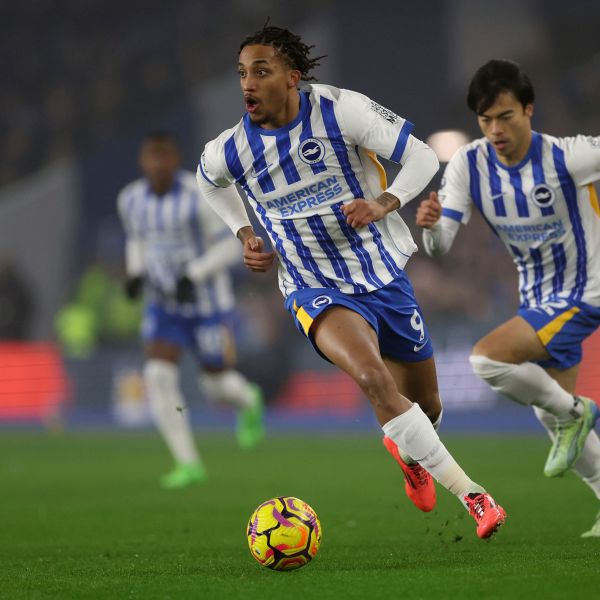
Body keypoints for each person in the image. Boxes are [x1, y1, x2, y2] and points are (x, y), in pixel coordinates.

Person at [195, 23, 506, 539]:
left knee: (425, 408)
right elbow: (208, 182)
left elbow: (423, 157)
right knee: (370, 376)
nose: (248, 84)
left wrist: (384, 203)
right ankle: (474, 495)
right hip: (310, 283)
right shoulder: (231, 149)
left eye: (262, 71)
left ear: (292, 77)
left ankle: (406, 450)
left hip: (381, 273)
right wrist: (244, 232)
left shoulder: (342, 111)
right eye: (242, 73)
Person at [416, 59, 600, 537]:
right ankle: (572, 418)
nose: (495, 129)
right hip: (538, 296)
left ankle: (578, 413)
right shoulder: (468, 164)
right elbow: (441, 246)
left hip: (586, 290)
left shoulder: (568, 156)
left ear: (529, 110)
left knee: (487, 360)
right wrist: (432, 228)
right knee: (547, 408)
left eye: (505, 116)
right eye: (484, 119)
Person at [117, 131, 264, 489]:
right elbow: (138, 239)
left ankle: (248, 400)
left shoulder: (198, 196)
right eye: (151, 157)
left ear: (175, 159)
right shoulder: (131, 199)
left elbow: (231, 248)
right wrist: (135, 273)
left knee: (215, 386)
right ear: (143, 161)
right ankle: (188, 463)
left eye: (164, 157)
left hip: (207, 306)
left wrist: (193, 274)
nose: (157, 164)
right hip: (165, 306)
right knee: (158, 376)